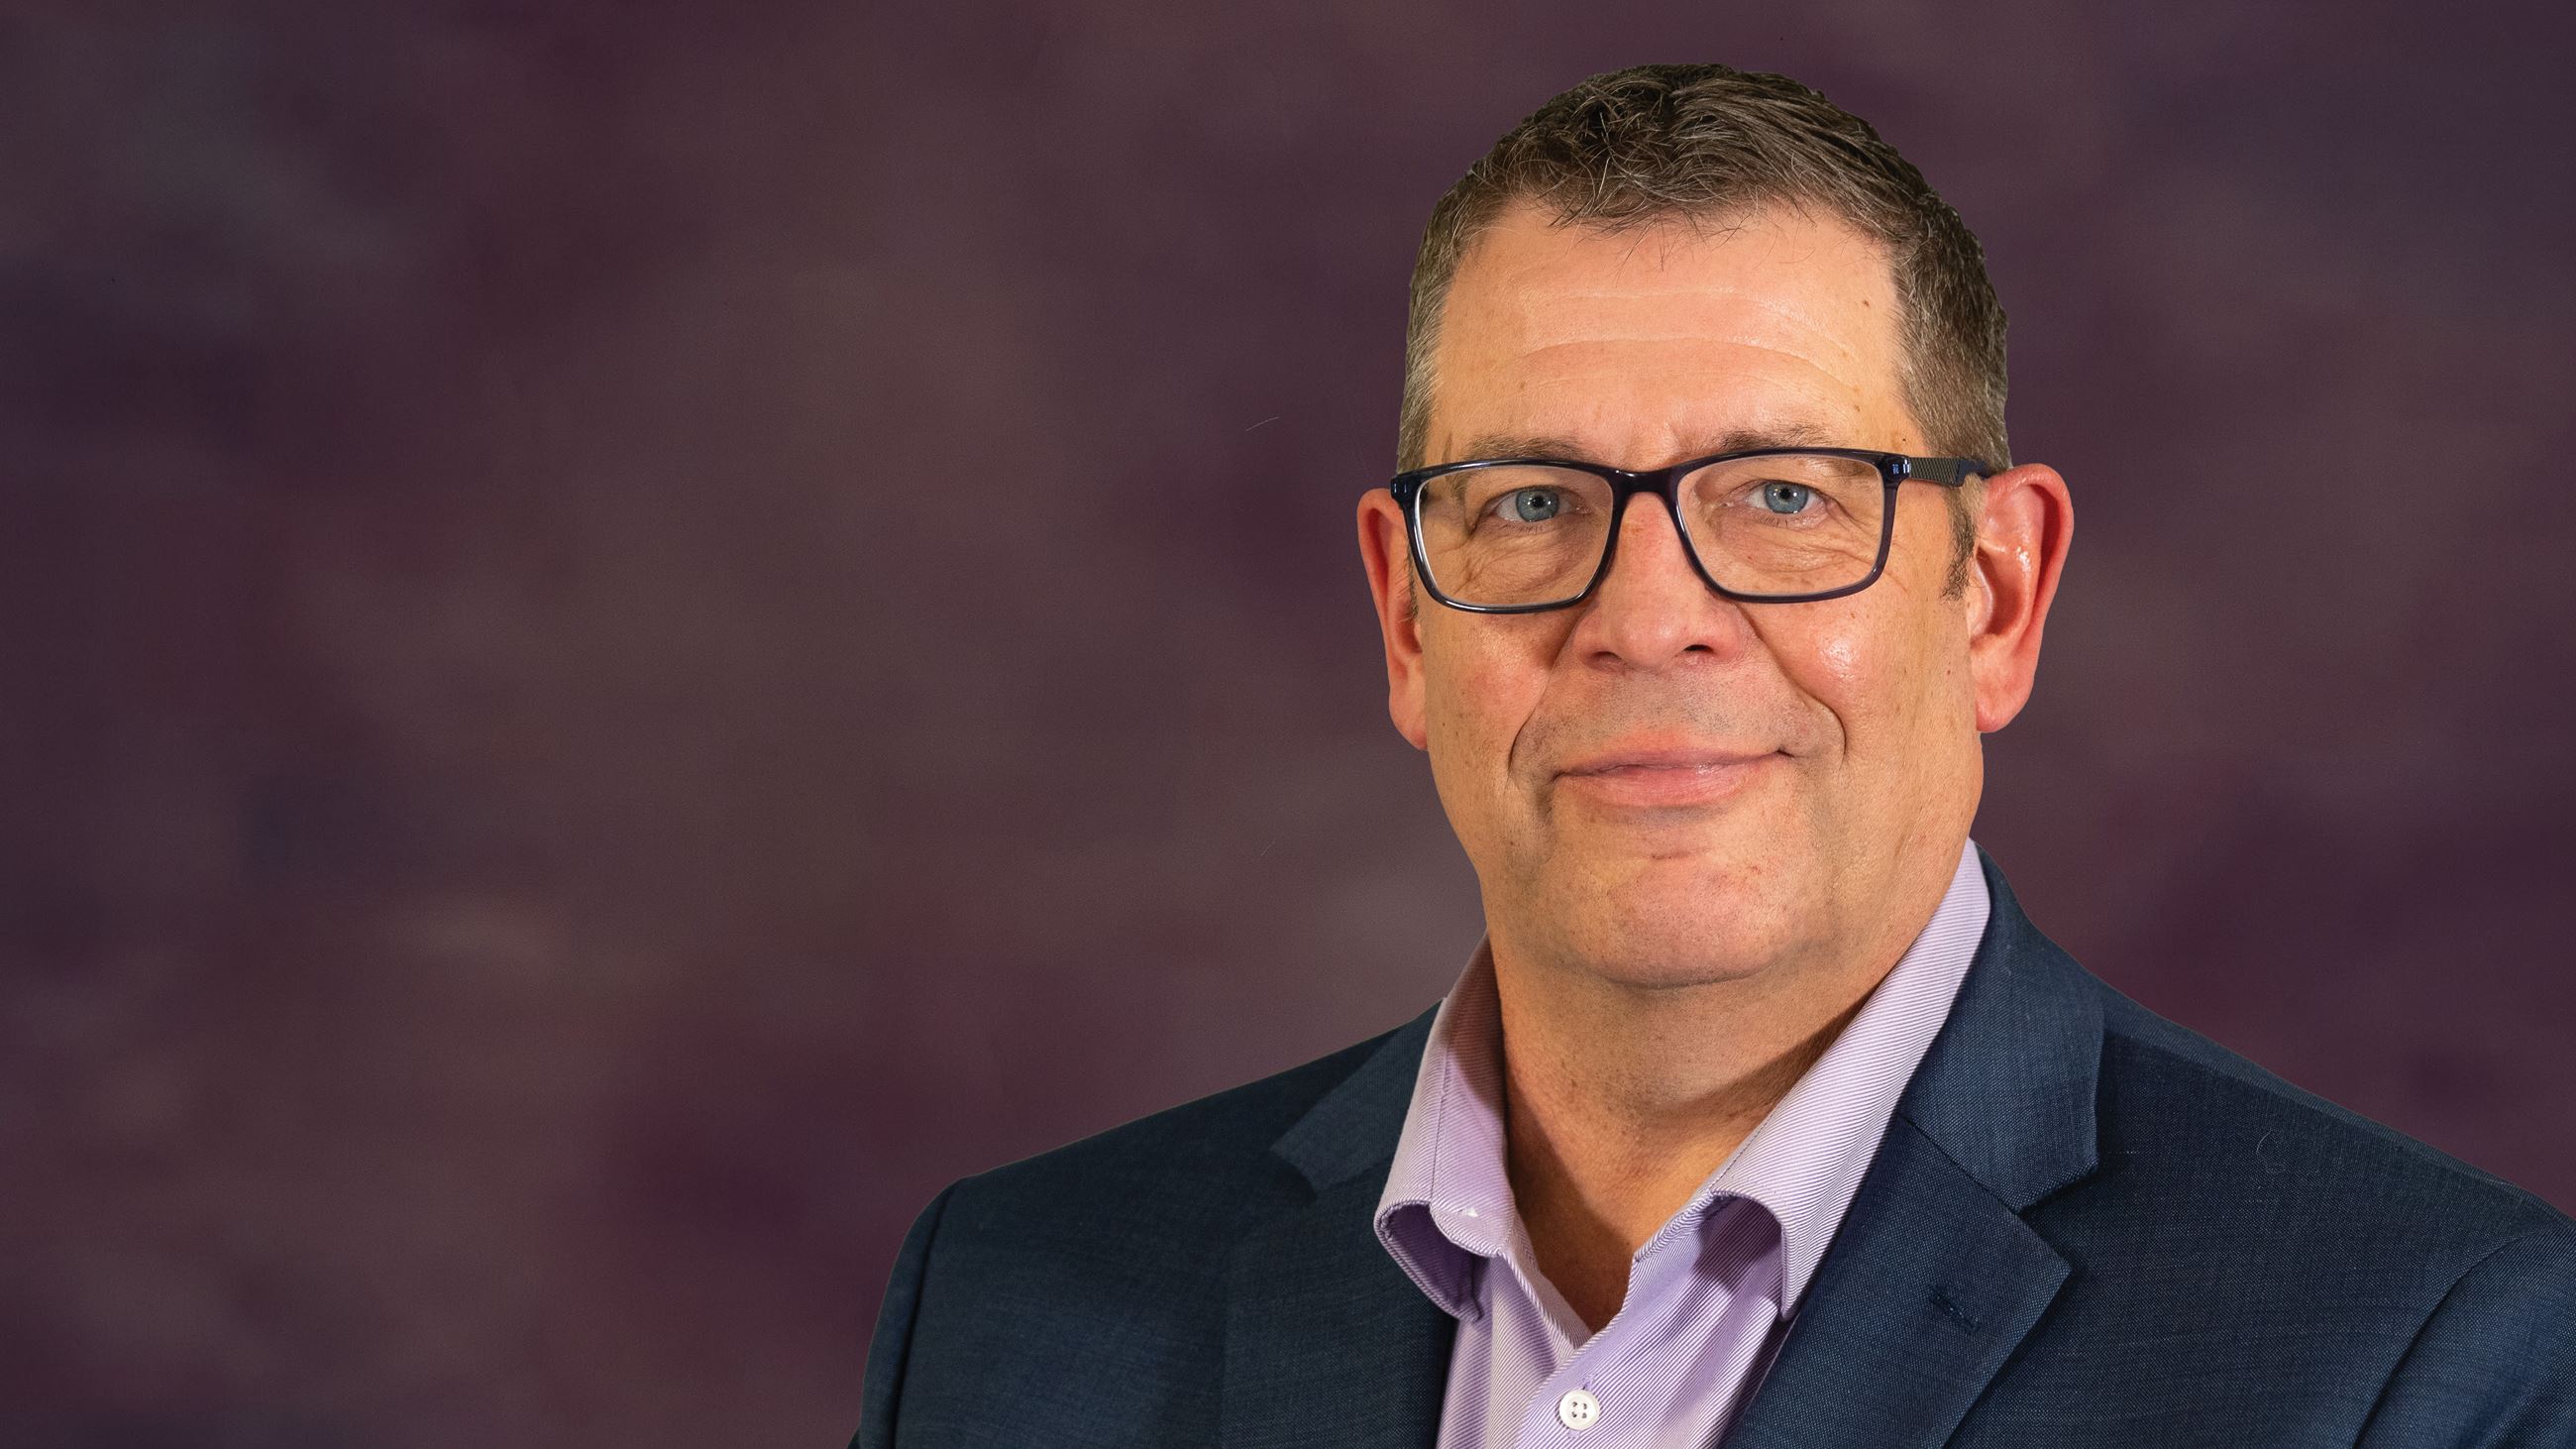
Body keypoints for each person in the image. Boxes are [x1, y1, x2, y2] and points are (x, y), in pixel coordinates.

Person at [853, 63, 2576, 1448]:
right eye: (1533, 504)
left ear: (1993, 596)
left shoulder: (2429, 1355)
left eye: (1781, 497)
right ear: (1404, 618)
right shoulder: (1009, 1312)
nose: (1647, 617)